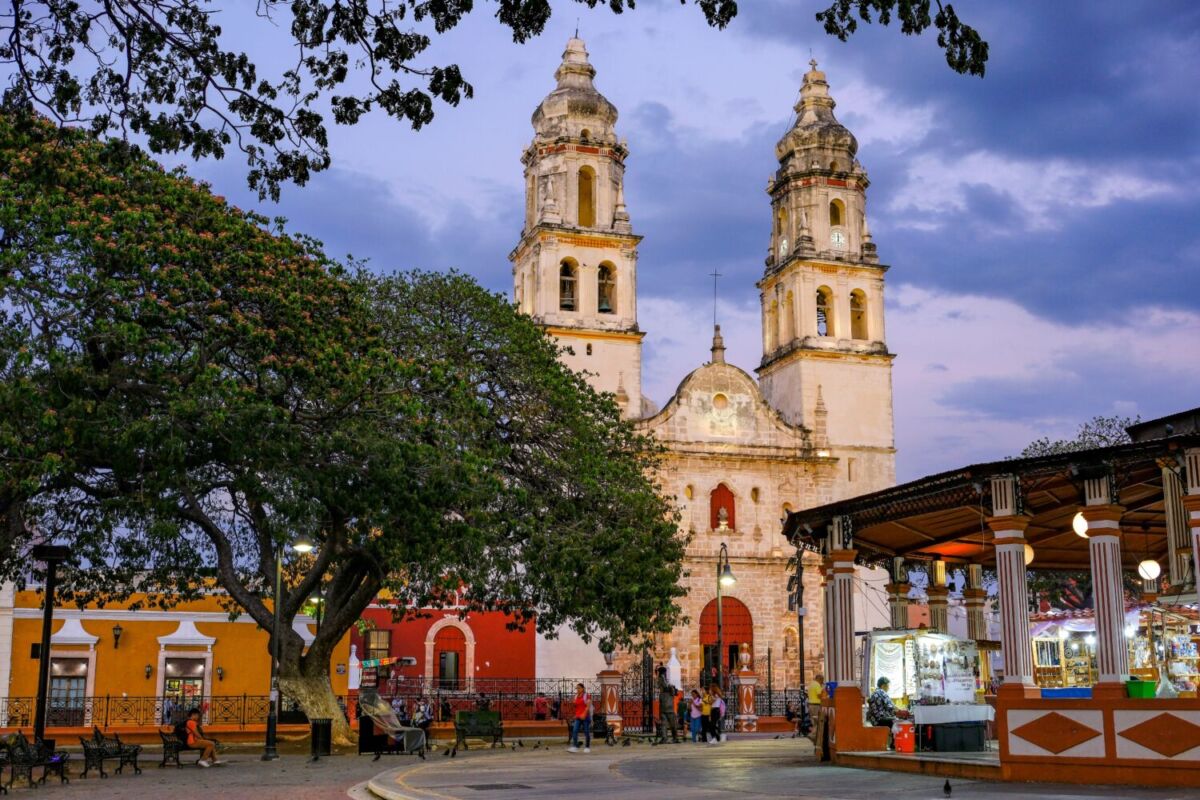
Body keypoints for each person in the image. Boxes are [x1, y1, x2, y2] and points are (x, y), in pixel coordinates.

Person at [866, 677, 908, 748]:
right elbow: (891, 707)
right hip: (880, 719)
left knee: (894, 719)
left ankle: (893, 743)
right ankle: (895, 744)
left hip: (874, 720)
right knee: (897, 722)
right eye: (888, 686)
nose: (889, 688)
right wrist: (901, 711)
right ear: (883, 686)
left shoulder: (875, 693)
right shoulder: (882, 692)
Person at [656, 666, 679, 743]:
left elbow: (662, 686)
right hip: (668, 705)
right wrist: (672, 687)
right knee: (672, 724)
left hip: (664, 704)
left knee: (664, 723)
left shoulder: (660, 679)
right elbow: (667, 686)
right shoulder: (662, 678)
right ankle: (674, 737)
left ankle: (664, 737)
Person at [567, 683, 592, 753]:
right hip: (578, 717)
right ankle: (575, 746)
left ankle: (587, 747)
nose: (577, 689)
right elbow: (577, 707)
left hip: (585, 717)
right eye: (577, 688)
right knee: (575, 731)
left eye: (579, 688)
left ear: (583, 688)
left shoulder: (586, 696)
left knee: (586, 731)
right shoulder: (575, 696)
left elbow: (588, 706)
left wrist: (584, 714)